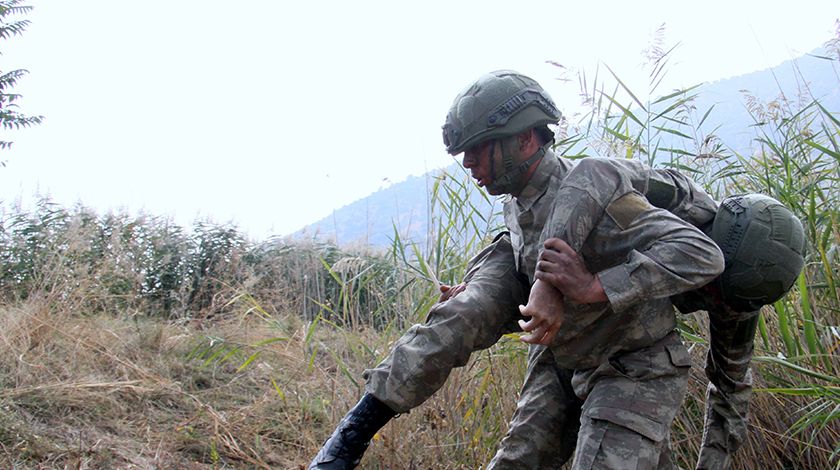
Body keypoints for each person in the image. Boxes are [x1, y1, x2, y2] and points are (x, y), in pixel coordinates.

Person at [308, 70, 805, 469]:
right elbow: (590, 192)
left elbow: (729, 395)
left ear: (523, 140)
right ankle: (347, 441)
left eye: (479, 151)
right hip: (566, 353)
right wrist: (496, 295)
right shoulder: (563, 198)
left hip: (632, 361)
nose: (469, 166)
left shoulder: (720, 287)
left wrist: (593, 287)